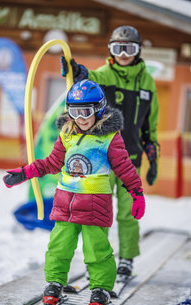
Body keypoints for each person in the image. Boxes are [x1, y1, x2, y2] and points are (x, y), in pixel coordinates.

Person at [3, 80, 145, 305]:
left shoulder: (110, 137)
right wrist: (25, 172)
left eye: (86, 112)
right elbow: (52, 163)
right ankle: (55, 283)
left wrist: (136, 193)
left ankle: (100, 288)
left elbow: (124, 167)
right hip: (65, 204)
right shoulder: (67, 134)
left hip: (95, 205)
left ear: (99, 109)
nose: (80, 118)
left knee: (97, 250)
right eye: (74, 112)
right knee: (58, 247)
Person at [61, 25, 159, 278]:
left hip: (132, 158)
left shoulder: (147, 82)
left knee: (128, 214)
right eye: (118, 49)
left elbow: (151, 121)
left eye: (129, 49)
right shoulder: (106, 74)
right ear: (110, 51)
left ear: (138, 51)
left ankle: (127, 258)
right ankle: (99, 258)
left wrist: (152, 150)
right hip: (102, 159)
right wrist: (79, 72)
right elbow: (91, 78)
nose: (124, 54)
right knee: (100, 212)